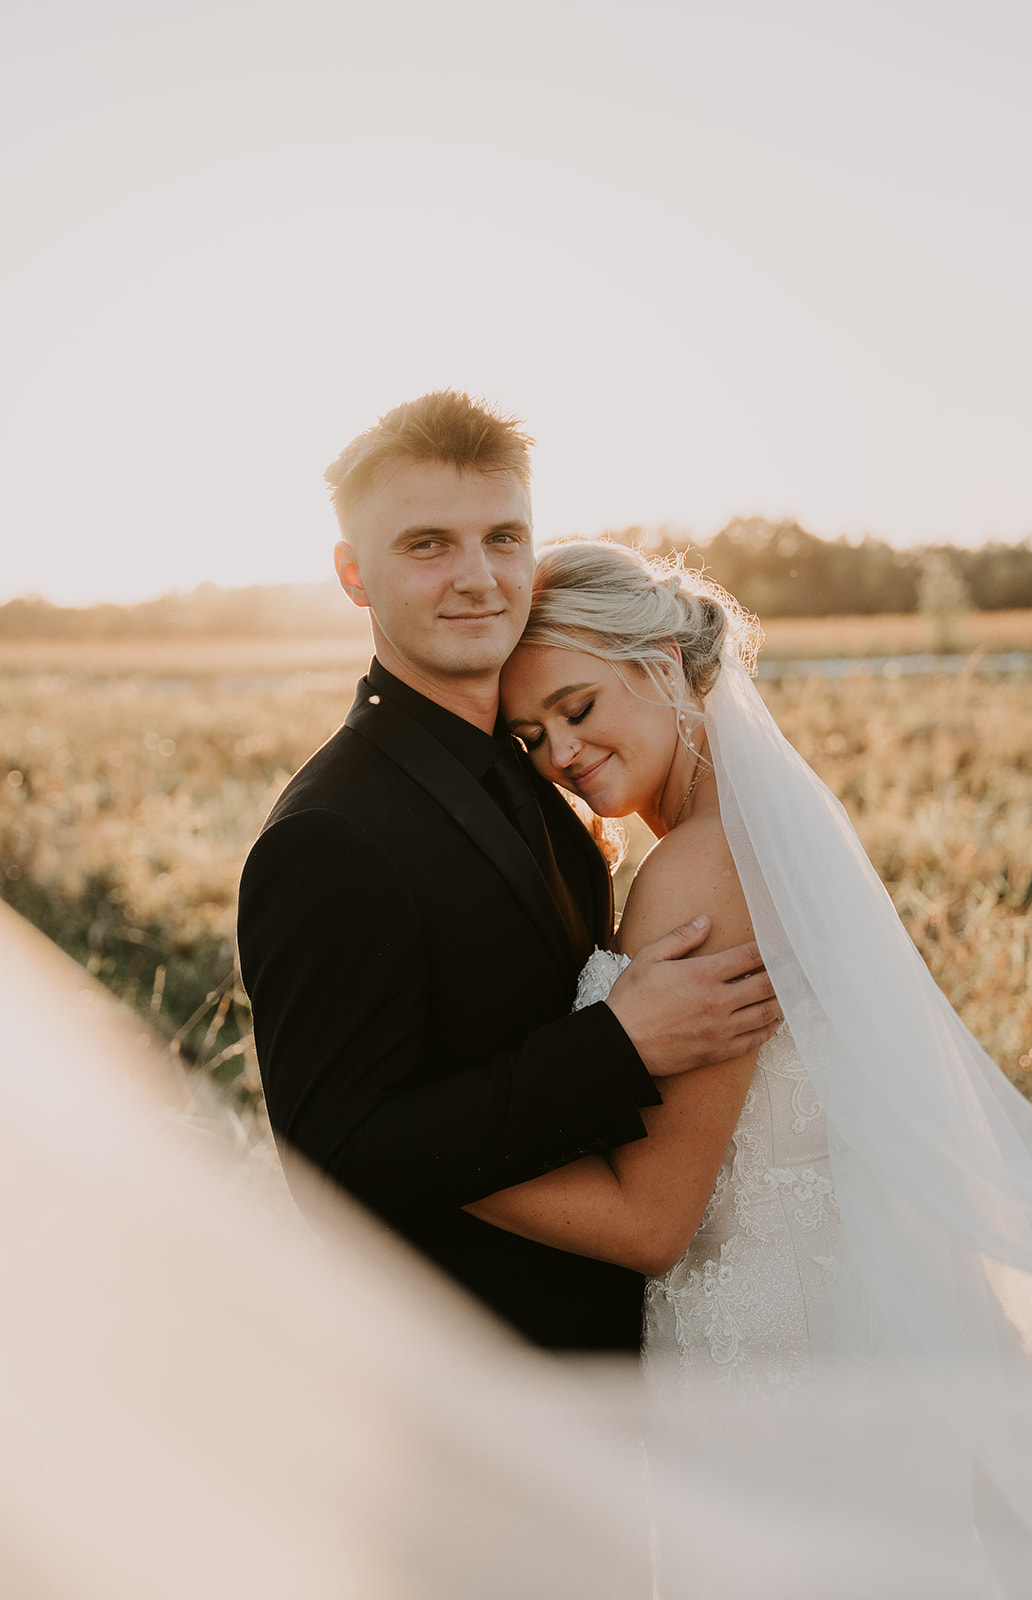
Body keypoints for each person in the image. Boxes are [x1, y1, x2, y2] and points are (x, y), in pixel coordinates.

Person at [467, 534, 1032, 1567]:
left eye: (576, 707)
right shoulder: (747, 834)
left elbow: (655, 1219)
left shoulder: (695, 874)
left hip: (762, 1357)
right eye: (528, 736)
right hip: (819, 1331)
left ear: (658, 667)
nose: (559, 754)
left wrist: (410, 1154)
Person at [236, 390, 781, 1353]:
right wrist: (617, 1045)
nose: (478, 577)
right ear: (353, 575)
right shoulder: (329, 835)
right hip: (471, 1383)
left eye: (503, 536)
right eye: (426, 544)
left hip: (612, 1373)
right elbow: (336, 1161)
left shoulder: (542, 777)